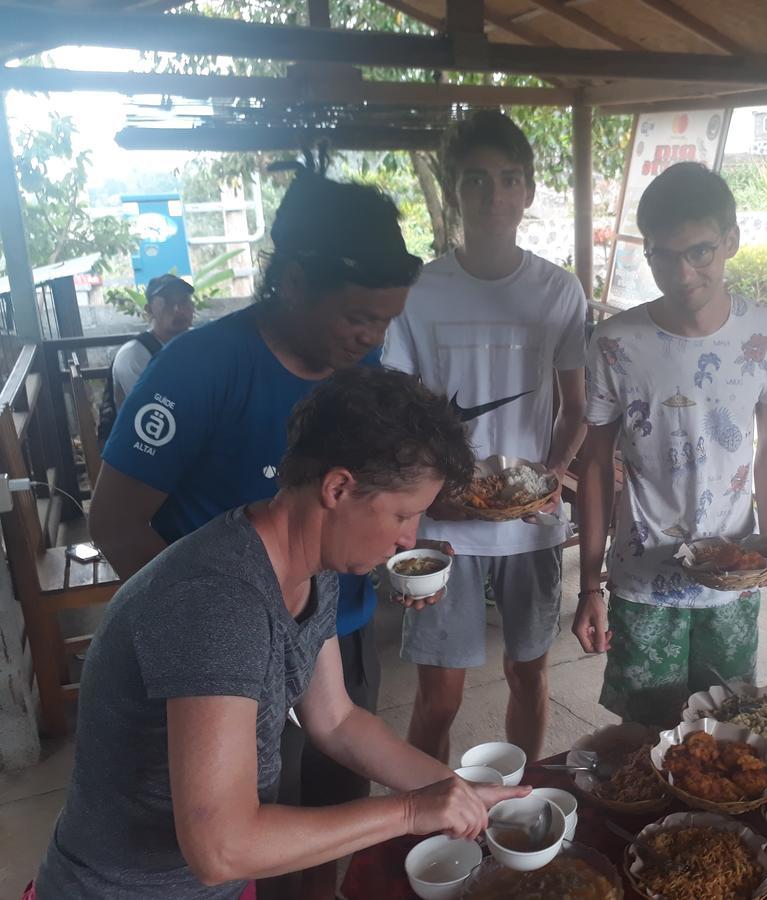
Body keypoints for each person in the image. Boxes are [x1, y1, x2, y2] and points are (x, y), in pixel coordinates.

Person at [32, 368, 526, 900]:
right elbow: (220, 849)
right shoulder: (219, 602)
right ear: (338, 487)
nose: (409, 538)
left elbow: (336, 720)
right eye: (405, 515)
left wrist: (457, 793)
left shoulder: (311, 567)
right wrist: (409, 810)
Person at [89, 165, 423, 899]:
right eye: (359, 318)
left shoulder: (358, 370)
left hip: (331, 623)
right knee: (243, 827)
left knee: (335, 802)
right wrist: (221, 624)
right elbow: (114, 520)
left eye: (385, 323)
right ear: (296, 283)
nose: (372, 339)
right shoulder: (201, 368)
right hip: (216, 648)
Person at [382, 110, 587, 764]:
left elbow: (576, 407)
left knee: (531, 675)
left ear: (528, 190)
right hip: (445, 525)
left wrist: (550, 476)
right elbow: (398, 410)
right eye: (475, 180)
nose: (493, 195)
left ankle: (520, 806)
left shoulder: (558, 291)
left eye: (508, 179)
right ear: (453, 190)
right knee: (439, 697)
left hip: (530, 525)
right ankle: (428, 821)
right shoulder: (420, 293)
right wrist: (422, 496)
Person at [572, 162, 767, 727]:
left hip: (732, 573)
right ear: (645, 252)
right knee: (646, 731)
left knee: (729, 728)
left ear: (731, 241)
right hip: (641, 577)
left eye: (699, 251)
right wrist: (589, 584)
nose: (683, 272)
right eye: (664, 256)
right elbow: (596, 464)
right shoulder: (614, 342)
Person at [96, 273, 195, 446]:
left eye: (184, 301)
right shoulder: (135, 354)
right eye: (167, 303)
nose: (178, 309)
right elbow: (156, 415)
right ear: (149, 310)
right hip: (143, 451)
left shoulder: (198, 346)